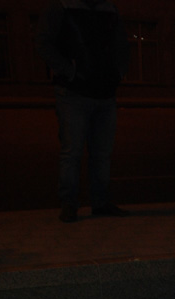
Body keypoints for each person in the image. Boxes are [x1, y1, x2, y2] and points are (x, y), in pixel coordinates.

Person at [36, 0, 130, 224]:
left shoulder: (109, 9)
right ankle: (69, 204)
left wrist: (118, 73)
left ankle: (100, 202)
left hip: (105, 93)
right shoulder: (61, 7)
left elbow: (122, 45)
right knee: (72, 152)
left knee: (102, 154)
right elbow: (43, 43)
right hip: (73, 94)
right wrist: (69, 71)